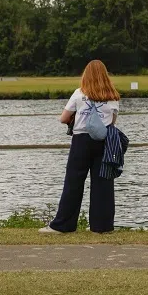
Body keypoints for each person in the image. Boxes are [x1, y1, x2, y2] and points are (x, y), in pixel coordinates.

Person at [41, 60, 121, 234]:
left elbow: (63, 118)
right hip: (104, 142)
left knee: (73, 183)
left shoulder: (78, 94)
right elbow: (112, 122)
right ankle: (102, 226)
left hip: (81, 141)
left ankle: (64, 225)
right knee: (103, 184)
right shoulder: (113, 96)